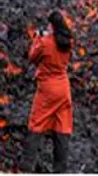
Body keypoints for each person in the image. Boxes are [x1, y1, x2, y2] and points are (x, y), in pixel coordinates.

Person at [22, 11, 74, 173]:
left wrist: (38, 37)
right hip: (64, 89)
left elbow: (32, 57)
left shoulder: (45, 42)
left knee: (36, 124)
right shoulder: (68, 42)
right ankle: (60, 170)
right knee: (62, 126)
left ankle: (27, 166)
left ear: (51, 26)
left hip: (47, 89)